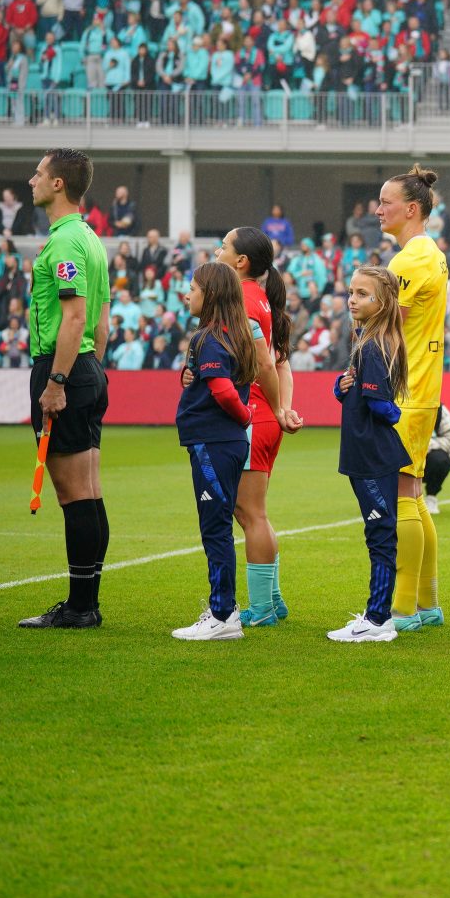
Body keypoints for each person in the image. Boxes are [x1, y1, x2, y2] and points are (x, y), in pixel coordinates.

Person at [19, 149, 112, 630]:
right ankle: (85, 601)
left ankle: (80, 608)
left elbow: (76, 316)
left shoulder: (65, 244)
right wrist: (92, 370)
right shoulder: (91, 240)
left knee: (74, 494)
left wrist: (57, 380)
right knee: (89, 492)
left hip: (64, 369)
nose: (31, 179)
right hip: (88, 367)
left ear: (58, 184)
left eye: (39, 172)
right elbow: (102, 318)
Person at [168, 262, 258, 642]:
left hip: (215, 443)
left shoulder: (209, 337)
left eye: (193, 288)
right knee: (219, 525)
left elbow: (222, 390)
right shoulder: (231, 335)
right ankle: (226, 609)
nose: (187, 295)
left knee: (215, 528)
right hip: (225, 444)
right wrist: (189, 377)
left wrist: (245, 415)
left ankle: (222, 615)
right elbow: (207, 380)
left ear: (211, 296)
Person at [217, 227, 302, 627]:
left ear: (241, 262)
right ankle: (273, 599)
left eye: (224, 246)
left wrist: (275, 408)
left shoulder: (245, 300)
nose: (217, 250)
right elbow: (278, 361)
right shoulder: (260, 300)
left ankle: (263, 608)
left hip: (253, 415)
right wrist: (282, 407)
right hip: (261, 415)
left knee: (250, 514)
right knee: (250, 512)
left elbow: (265, 364)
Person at [378, 166, 449, 631]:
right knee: (414, 492)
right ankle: (426, 603)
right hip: (422, 390)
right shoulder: (428, 255)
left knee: (401, 493)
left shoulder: (409, 260)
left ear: (412, 208)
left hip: (407, 391)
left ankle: (401, 608)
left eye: (385, 201)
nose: (378, 208)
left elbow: (386, 325)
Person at [327, 267, 411, 643]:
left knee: (380, 534)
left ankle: (378, 619)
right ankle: (378, 616)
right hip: (367, 455)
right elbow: (362, 393)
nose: (353, 299)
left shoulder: (373, 346)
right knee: (379, 533)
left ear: (382, 303)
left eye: (363, 294)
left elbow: (381, 404)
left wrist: (390, 412)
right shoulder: (368, 341)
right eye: (351, 292)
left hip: (372, 455)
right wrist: (342, 388)